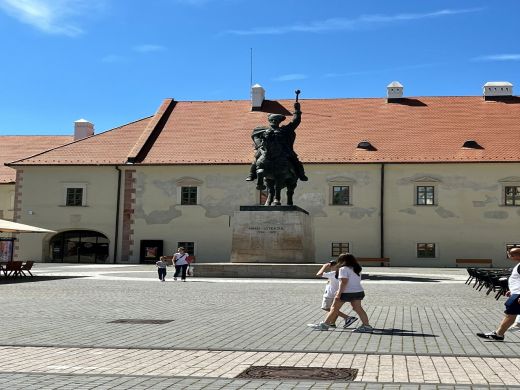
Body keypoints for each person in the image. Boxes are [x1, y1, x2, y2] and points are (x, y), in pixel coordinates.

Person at [245, 101, 308, 189]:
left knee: (295, 159)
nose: (274, 122)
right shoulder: (262, 129)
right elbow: (255, 137)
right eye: (272, 120)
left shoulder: (284, 130)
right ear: (269, 120)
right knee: (257, 157)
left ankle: (301, 174)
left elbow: (296, 122)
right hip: (265, 148)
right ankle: (252, 174)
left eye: (276, 120)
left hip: (283, 150)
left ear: (279, 122)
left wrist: (297, 110)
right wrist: (260, 146)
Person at [309, 253, 373, 332]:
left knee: (334, 308)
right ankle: (367, 326)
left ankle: (324, 325)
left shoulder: (343, 269)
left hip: (346, 292)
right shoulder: (357, 268)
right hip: (358, 291)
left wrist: (339, 293)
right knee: (358, 308)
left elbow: (344, 282)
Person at [477, 247, 520, 341]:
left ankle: (498, 334)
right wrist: (512, 290)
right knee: (511, 314)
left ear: (517, 255)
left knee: (510, 314)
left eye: (511, 254)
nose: (510, 256)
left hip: (518, 295)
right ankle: (499, 334)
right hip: (516, 293)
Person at [314, 260, 358, 329]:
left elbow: (319, 274)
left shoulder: (333, 273)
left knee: (328, 308)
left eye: (332, 264)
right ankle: (332, 323)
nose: (330, 266)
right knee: (334, 309)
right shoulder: (342, 273)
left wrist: (324, 266)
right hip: (336, 294)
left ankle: (347, 317)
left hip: (330, 295)